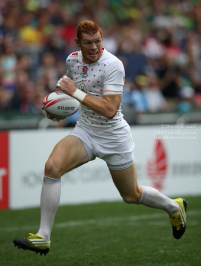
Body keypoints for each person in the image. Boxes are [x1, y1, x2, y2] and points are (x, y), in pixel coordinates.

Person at [13, 20, 187, 255]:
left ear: (102, 39)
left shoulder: (113, 65)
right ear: (78, 43)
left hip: (113, 137)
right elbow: (69, 91)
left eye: (97, 41)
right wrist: (57, 111)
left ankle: (174, 208)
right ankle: (43, 237)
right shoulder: (72, 60)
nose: (94, 47)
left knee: (131, 195)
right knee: (52, 167)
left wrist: (74, 91)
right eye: (88, 43)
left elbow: (109, 109)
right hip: (85, 131)